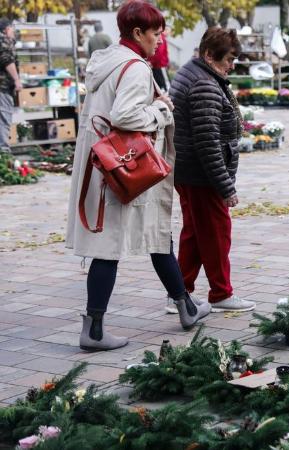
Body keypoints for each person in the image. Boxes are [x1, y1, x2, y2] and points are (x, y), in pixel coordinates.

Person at [66, 0, 210, 351]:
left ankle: (186, 306)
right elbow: (126, 116)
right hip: (124, 169)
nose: (160, 40)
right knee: (110, 245)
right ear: (137, 33)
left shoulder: (108, 61)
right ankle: (94, 330)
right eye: (156, 33)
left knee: (155, 234)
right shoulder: (134, 68)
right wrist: (160, 110)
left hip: (104, 165)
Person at [168, 27, 256, 314]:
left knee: (195, 232)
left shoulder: (194, 72)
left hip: (189, 171)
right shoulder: (204, 84)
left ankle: (179, 293)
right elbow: (208, 143)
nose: (232, 65)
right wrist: (226, 188)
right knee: (217, 233)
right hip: (202, 174)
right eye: (229, 59)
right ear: (209, 55)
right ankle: (220, 293)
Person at [0, 19, 21, 154]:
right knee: (4, 119)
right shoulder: (3, 42)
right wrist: (17, 80)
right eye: (12, 28)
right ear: (6, 29)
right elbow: (7, 60)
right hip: (3, 86)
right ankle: (4, 152)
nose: (14, 31)